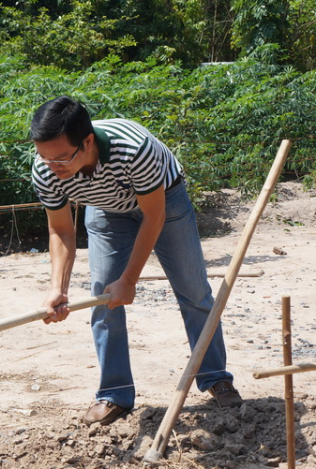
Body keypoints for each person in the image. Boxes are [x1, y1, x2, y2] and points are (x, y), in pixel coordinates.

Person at [30, 96, 242, 426]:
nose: (52, 166)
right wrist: (57, 287)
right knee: (103, 298)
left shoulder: (133, 148)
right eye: (45, 158)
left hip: (164, 201)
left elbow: (153, 216)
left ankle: (216, 377)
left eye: (61, 158)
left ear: (87, 142)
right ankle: (115, 393)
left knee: (193, 291)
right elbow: (60, 230)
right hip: (105, 209)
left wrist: (129, 278)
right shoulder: (46, 170)